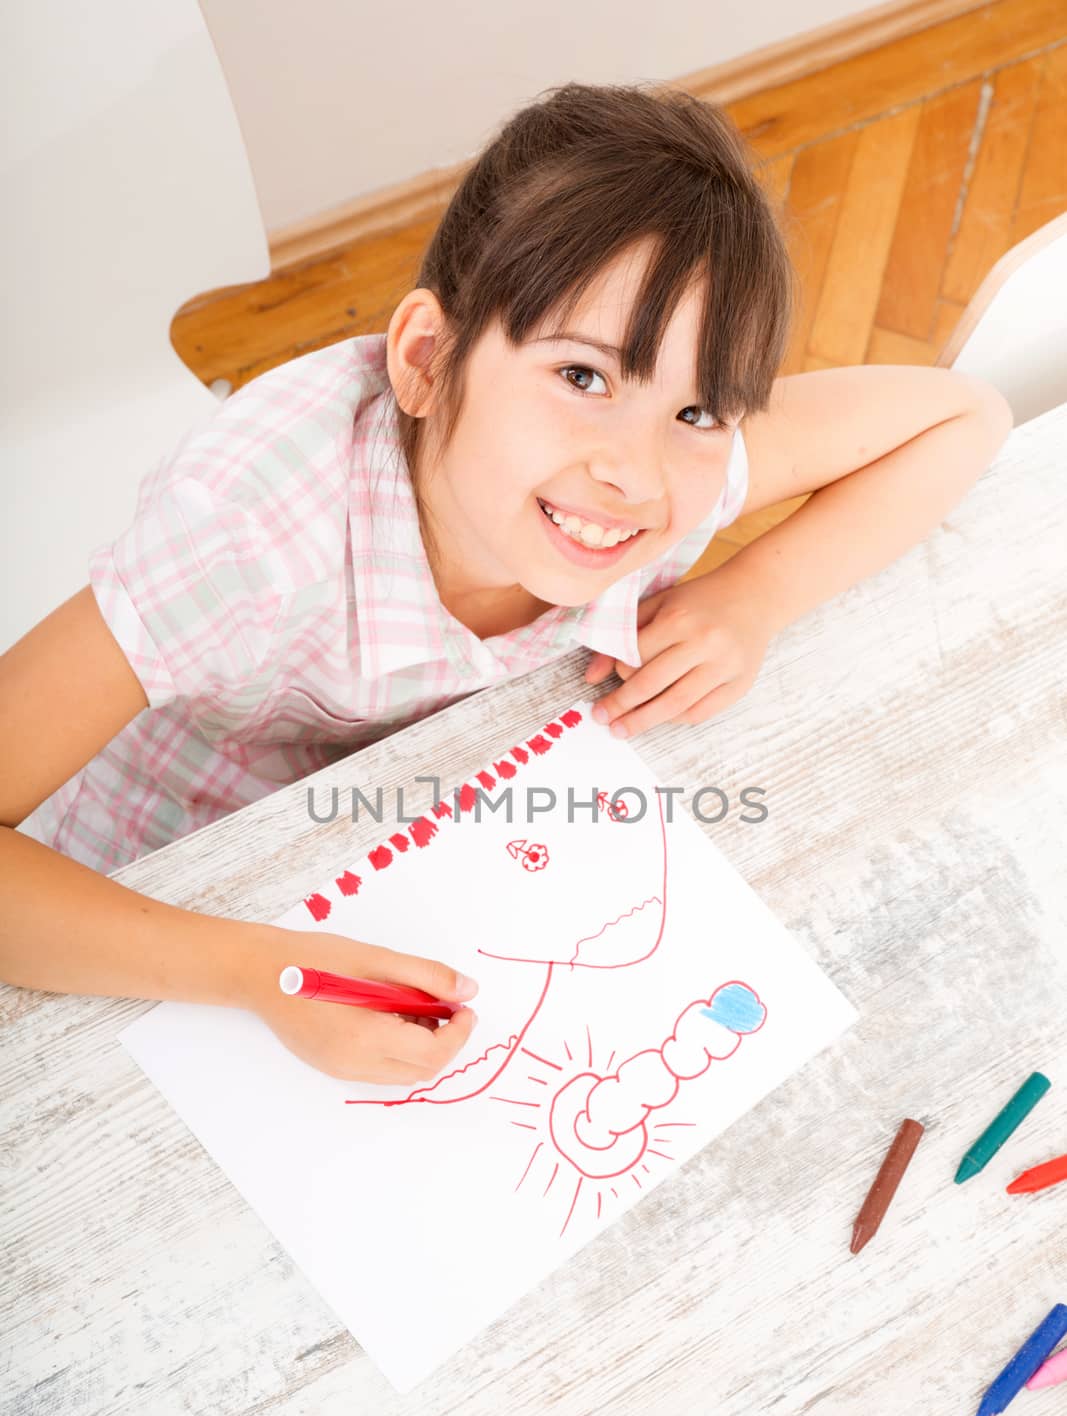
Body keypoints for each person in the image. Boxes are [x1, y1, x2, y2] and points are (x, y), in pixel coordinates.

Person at [0, 81, 1012, 1086]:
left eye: (697, 409)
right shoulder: (250, 530)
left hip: (424, 853)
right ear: (427, 358)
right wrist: (266, 974)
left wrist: (754, 591)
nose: (637, 472)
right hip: (157, 896)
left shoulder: (663, 478)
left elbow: (960, 417)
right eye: (582, 377)